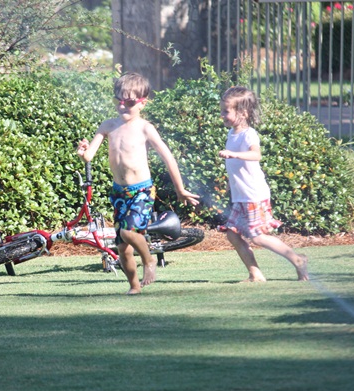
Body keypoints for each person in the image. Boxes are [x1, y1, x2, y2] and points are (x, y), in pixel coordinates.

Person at [77, 72, 200, 295]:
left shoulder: (145, 128)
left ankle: (149, 259)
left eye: (130, 102)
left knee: (128, 233)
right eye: (118, 101)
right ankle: (134, 286)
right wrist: (83, 152)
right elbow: (89, 156)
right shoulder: (108, 126)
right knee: (122, 248)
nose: (123, 106)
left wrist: (180, 189)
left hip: (142, 190)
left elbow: (168, 158)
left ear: (142, 103)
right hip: (119, 193)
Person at [217, 86, 309, 282]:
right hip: (241, 196)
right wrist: (230, 185)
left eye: (226, 111)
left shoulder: (248, 134)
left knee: (258, 237)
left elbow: (256, 155)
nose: (222, 115)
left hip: (253, 195)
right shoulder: (232, 133)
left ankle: (297, 259)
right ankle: (255, 273)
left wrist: (234, 154)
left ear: (243, 113)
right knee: (232, 234)